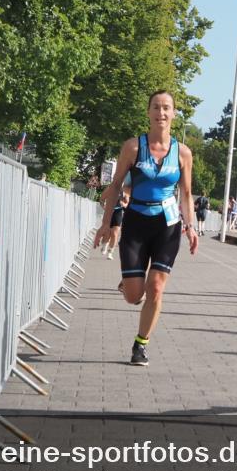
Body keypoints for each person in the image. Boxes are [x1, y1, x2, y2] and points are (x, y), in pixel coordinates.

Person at [93, 90, 199, 367]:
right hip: (136, 222)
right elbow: (116, 186)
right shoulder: (133, 147)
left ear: (174, 114)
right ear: (148, 112)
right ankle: (129, 284)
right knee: (133, 296)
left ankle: (141, 344)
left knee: (156, 287)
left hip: (168, 225)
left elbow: (186, 194)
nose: (161, 113)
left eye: (166, 108)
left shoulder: (183, 153)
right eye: (156, 107)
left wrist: (192, 226)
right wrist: (106, 224)